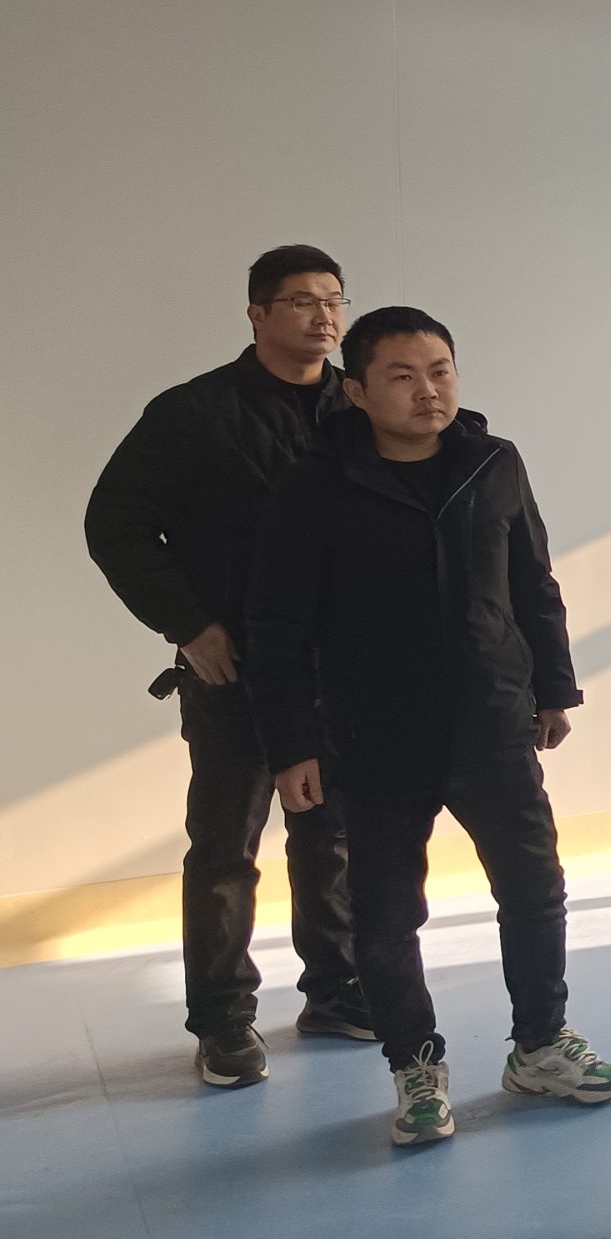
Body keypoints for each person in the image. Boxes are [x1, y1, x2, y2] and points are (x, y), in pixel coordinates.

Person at [248, 306, 611, 1148]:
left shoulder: (493, 463)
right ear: (356, 391)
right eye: (403, 376)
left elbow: (533, 582)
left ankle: (540, 1043)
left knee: (533, 888)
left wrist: (553, 688)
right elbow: (277, 625)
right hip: (375, 732)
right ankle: (415, 1066)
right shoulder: (316, 484)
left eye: (440, 371)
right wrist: (292, 743)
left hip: (490, 718)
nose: (428, 391)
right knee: (386, 912)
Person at [83, 244, 367, 1087]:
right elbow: (115, 523)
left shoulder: (357, 405)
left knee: (331, 838)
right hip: (233, 668)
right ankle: (223, 1021)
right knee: (223, 849)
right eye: (302, 301)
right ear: (257, 313)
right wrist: (189, 625)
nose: (323, 316)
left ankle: (338, 992)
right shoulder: (195, 412)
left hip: (337, 668)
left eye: (335, 300)